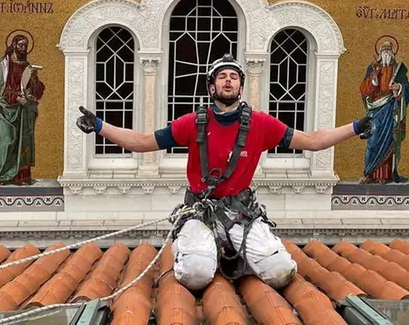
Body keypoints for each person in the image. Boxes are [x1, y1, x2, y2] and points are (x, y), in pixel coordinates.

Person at [76, 53, 373, 291]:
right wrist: (100, 126)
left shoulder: (261, 124)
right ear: (212, 87)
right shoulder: (193, 123)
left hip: (241, 213)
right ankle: (199, 251)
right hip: (200, 211)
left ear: (241, 87)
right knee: (195, 275)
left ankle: (232, 255)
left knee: (281, 271)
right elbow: (142, 142)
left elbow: (312, 141)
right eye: (222, 77)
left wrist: (355, 128)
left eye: (233, 77)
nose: (228, 81)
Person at [0, 34, 44, 186]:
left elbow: (37, 92)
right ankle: (1, 176)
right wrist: (17, 98)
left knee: (24, 142)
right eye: (20, 45)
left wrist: (34, 79)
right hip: (6, 110)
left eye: (25, 45)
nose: (23, 48)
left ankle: (22, 176)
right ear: (13, 45)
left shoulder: (27, 66)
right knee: (7, 141)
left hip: (24, 111)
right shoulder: (1, 65)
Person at [359, 36, 409, 184]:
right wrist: (373, 80)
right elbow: (364, 90)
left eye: (389, 48)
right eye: (384, 48)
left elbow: (407, 88)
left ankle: (384, 175)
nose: (386, 50)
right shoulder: (372, 68)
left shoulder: (398, 69)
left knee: (389, 141)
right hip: (375, 110)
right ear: (380, 51)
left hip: (390, 109)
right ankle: (369, 173)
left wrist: (399, 87)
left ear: (393, 51)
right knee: (373, 141)